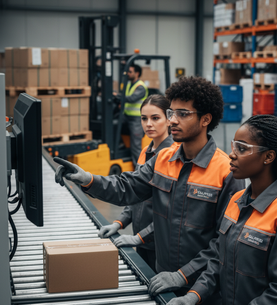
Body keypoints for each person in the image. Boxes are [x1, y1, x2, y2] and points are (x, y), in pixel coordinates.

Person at [54, 76, 245, 304]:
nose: (172, 120)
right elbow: (127, 187)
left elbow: (223, 243)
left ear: (206, 119)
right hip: (161, 278)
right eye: (171, 113)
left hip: (203, 290)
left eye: (182, 114)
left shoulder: (226, 171)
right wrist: (87, 179)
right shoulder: (163, 159)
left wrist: (183, 276)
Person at [168, 115, 277, 305]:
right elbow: (220, 260)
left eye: (242, 149)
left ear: (268, 156)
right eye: (234, 146)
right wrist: (194, 295)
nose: (232, 154)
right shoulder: (237, 200)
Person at [98, 94, 173, 273]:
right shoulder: (145, 153)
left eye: (155, 118)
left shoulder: (172, 157)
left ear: (169, 120)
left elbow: (171, 212)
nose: (148, 124)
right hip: (141, 241)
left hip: (160, 245)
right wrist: (119, 223)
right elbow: (135, 195)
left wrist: (140, 237)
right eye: (144, 118)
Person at [122, 64, 149, 166]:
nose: (127, 74)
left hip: (136, 119)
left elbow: (131, 98)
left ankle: (139, 170)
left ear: (137, 73)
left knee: (136, 146)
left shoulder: (140, 87)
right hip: (126, 116)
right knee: (111, 125)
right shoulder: (129, 84)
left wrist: (118, 97)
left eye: (130, 72)